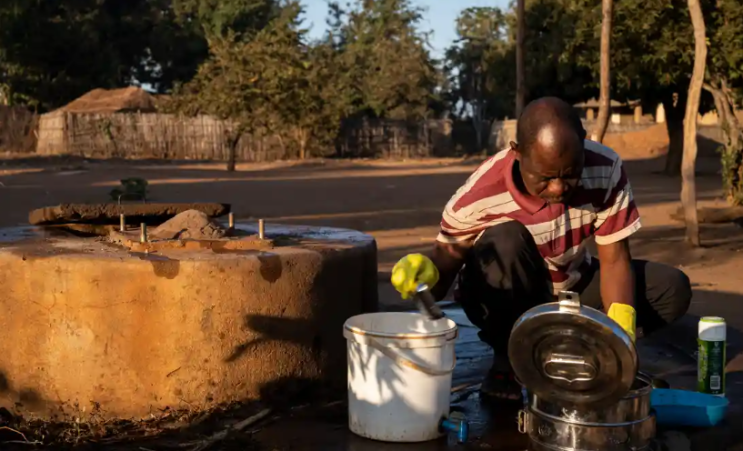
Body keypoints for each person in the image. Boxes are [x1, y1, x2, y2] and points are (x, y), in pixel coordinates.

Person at [390, 97, 692, 401]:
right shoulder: (479, 196)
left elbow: (615, 261)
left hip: (571, 287)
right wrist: (424, 271)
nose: (559, 188)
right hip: (509, 297)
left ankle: (583, 350)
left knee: (669, 288)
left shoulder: (605, 168)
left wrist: (619, 336)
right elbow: (445, 270)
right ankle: (509, 359)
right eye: (545, 178)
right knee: (506, 239)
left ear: (584, 145)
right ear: (517, 152)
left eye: (569, 173)